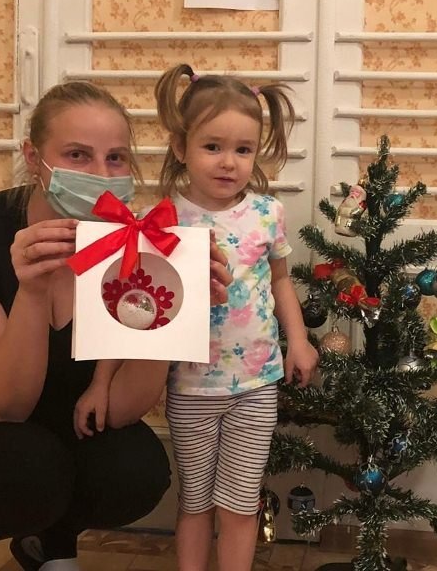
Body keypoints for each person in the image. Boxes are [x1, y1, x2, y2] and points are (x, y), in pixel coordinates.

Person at [0, 81, 232, 571]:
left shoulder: (133, 243)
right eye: (78, 155)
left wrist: (175, 311)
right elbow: (3, 405)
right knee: (32, 466)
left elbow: (121, 410)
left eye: (115, 158)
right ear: (34, 158)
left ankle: (47, 540)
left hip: (58, 427)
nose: (101, 174)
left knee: (137, 469)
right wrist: (32, 292)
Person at [152, 64, 319, 571]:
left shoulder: (267, 213)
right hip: (190, 385)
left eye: (243, 150)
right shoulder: (163, 219)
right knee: (195, 502)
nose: (229, 162)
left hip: (256, 385)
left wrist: (299, 340)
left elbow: (281, 281)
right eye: (213, 146)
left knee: (241, 504)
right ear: (180, 146)